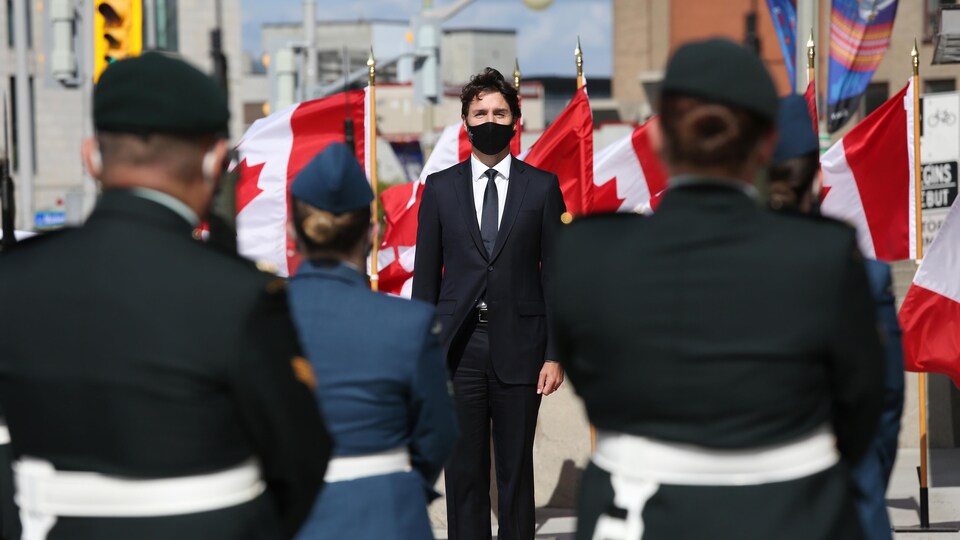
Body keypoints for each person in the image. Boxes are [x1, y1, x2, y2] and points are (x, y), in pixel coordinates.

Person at [550, 38, 884, 540]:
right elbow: (860, 412)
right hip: (795, 515)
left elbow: (590, 377)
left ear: (659, 137)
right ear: (766, 144)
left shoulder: (587, 253)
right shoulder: (826, 256)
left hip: (638, 516)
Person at [0, 52, 331, 540]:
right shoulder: (242, 294)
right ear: (215, 162)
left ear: (90, 156)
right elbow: (301, 461)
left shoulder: (15, 281)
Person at [413, 67, 566, 540]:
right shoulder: (440, 189)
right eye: (480, 112)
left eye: (500, 111)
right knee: (464, 473)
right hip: (457, 350)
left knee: (516, 473)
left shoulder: (541, 187)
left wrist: (555, 353)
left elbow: (557, 278)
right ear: (465, 121)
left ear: (516, 120)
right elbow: (425, 280)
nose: (490, 119)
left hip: (523, 347)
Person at [285, 143, 458, 540]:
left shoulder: (257, 316)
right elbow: (437, 434)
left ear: (293, 232)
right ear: (373, 233)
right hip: (388, 514)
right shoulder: (410, 322)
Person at [768, 95, 905, 540]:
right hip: (850, 507)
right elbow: (885, 405)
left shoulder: (711, 280)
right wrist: (864, 483)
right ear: (818, 178)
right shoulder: (863, 275)